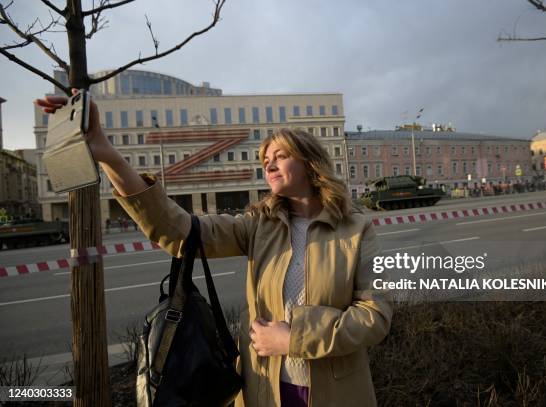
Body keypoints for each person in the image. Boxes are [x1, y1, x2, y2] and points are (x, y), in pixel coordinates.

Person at [36, 90, 392, 407]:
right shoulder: (258, 225)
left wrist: (294, 337)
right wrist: (108, 154)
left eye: (280, 155)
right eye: (265, 158)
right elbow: (177, 231)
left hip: (334, 393)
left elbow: (374, 317)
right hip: (263, 390)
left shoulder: (355, 229)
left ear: (311, 164)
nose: (268, 163)